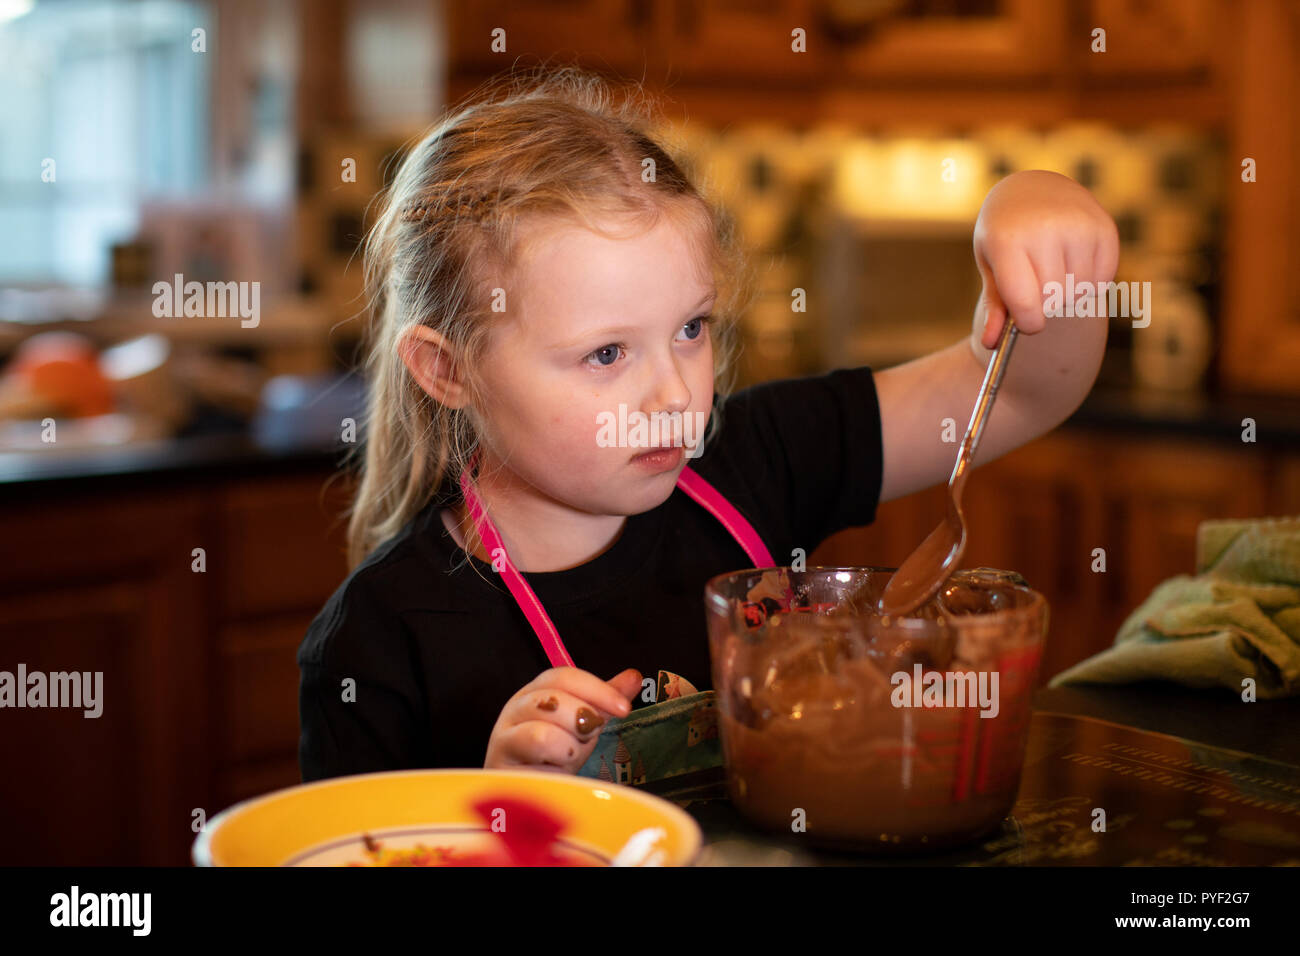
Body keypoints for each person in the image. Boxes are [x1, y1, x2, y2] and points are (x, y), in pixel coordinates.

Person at [297, 66, 1115, 782]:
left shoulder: (758, 456)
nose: (674, 398)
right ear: (449, 370)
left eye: (691, 330)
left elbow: (1020, 394)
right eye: (607, 353)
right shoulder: (377, 647)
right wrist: (498, 807)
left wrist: (1043, 220)